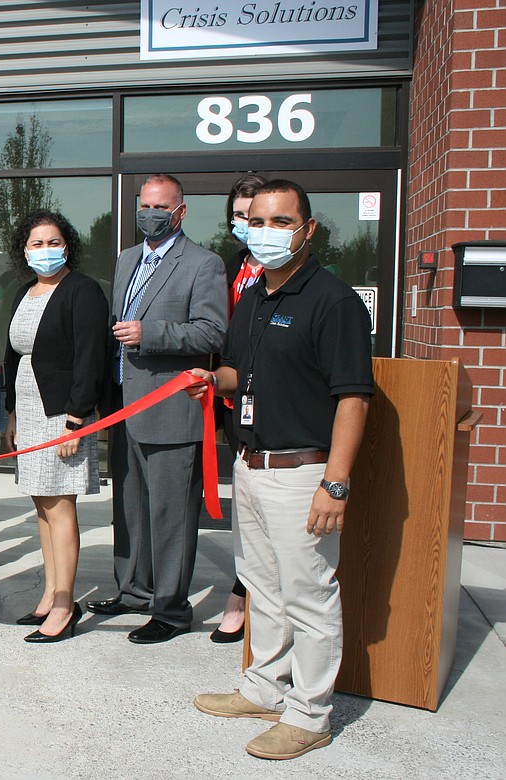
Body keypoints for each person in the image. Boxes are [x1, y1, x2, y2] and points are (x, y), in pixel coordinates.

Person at [188, 179, 372, 760]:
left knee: (309, 596)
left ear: (308, 229)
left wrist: (335, 484)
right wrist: (210, 380)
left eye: (280, 222)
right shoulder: (254, 298)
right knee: (263, 587)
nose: (266, 234)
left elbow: (353, 398)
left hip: (303, 473)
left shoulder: (333, 301)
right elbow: (241, 375)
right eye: (257, 222)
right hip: (250, 464)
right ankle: (265, 687)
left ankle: (310, 712)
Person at [87, 173, 227, 644]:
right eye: (144, 206)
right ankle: (134, 590)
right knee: (128, 509)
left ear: (180, 212)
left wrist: (153, 334)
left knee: (170, 515)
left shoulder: (203, 264)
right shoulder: (128, 259)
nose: (150, 214)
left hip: (171, 409)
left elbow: (212, 333)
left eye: (160, 207)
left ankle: (171, 609)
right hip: (126, 406)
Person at [2, 210, 109, 643]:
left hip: (61, 413)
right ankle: (50, 593)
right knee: (42, 506)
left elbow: (90, 357)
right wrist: (10, 411)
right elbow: (13, 356)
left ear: (68, 245)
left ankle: (65, 606)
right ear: (24, 251)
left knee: (61, 506)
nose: (45, 251)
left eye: (53, 242)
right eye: (36, 244)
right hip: (28, 409)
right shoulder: (25, 291)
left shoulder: (82, 292)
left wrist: (77, 419)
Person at [211, 172, 268, 643]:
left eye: (256, 215)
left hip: (270, 400)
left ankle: (243, 593)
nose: (247, 224)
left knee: (261, 500)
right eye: (239, 216)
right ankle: (245, 584)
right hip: (228, 395)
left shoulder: (286, 270)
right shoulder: (227, 265)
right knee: (242, 497)